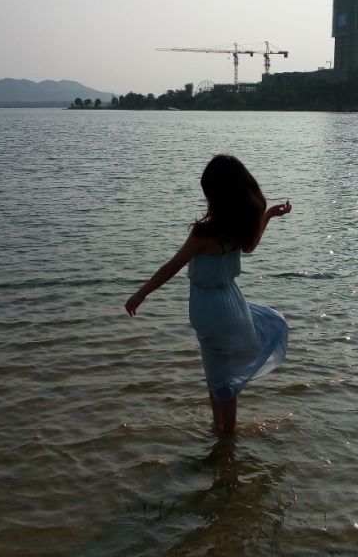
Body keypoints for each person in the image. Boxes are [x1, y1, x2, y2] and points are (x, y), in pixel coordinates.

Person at [125, 155, 291, 436]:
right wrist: (267, 216)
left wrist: (140, 294)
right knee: (223, 377)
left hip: (211, 310)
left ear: (214, 194)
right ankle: (222, 432)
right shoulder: (239, 227)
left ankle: (224, 435)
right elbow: (251, 246)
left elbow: (171, 268)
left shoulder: (204, 233)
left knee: (218, 378)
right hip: (234, 306)